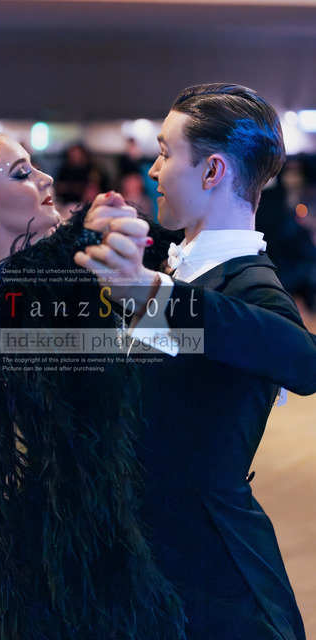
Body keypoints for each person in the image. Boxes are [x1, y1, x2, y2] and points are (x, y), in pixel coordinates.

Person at [0, 128, 186, 640]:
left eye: (35, 165)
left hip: (103, 518)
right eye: (21, 173)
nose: (45, 178)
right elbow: (137, 362)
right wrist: (92, 241)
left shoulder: (51, 281)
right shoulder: (0, 308)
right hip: (71, 544)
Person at [75, 83, 316, 639]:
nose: (154, 170)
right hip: (151, 562)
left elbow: (303, 361)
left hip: (213, 583)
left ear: (212, 171)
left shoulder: (252, 286)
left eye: (165, 153)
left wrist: (149, 296)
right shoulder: (175, 269)